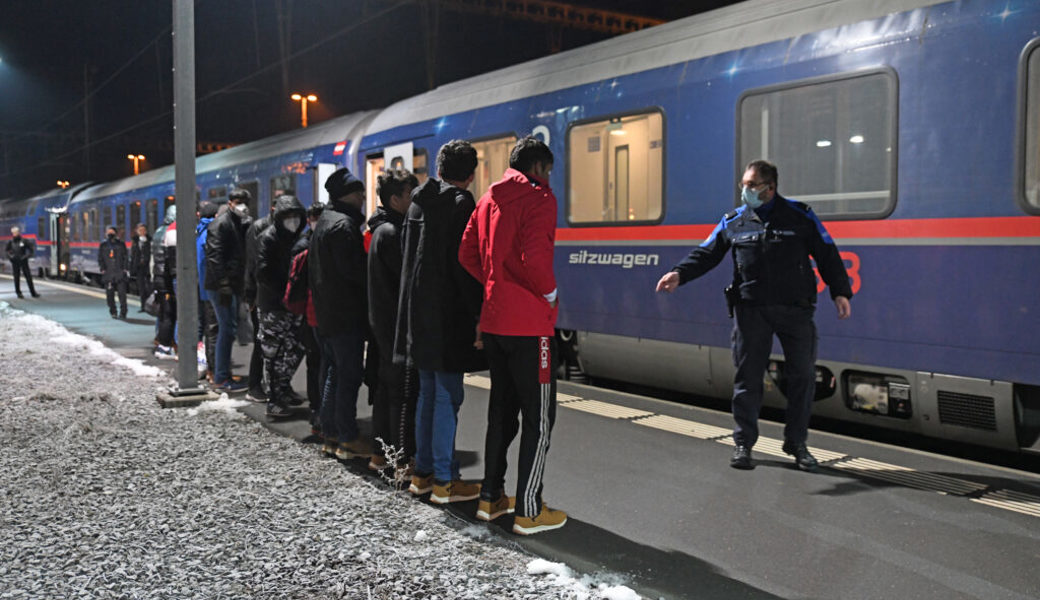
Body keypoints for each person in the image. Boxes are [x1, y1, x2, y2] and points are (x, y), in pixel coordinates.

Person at [655, 159, 853, 472]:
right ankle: (744, 444)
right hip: (752, 311)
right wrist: (679, 273)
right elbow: (707, 252)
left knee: (802, 378)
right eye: (743, 185)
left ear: (770, 188)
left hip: (796, 311)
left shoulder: (800, 216)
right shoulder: (734, 220)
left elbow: (827, 252)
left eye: (751, 185)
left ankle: (797, 444)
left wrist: (840, 292)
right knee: (747, 380)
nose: (744, 190)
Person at [459, 136, 565, 534]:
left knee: (501, 412)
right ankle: (530, 509)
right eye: (548, 172)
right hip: (530, 325)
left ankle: (490, 497)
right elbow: (535, 257)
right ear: (538, 168)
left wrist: (494, 283)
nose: (549, 179)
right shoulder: (539, 199)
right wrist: (550, 293)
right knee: (539, 417)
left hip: (496, 321)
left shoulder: (488, 199)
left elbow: (466, 253)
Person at [395, 140, 485, 505]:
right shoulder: (461, 204)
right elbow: (466, 264)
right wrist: (478, 314)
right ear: (471, 173)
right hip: (449, 315)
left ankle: (423, 474)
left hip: (420, 312)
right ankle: (446, 481)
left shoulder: (418, 202)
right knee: (448, 394)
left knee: (428, 393)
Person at [310, 168, 372, 459]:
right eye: (359, 191)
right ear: (346, 195)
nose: (363, 196)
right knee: (348, 375)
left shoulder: (325, 221)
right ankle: (347, 437)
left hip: (326, 314)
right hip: (345, 314)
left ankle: (330, 433)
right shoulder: (344, 227)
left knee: (333, 374)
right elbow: (355, 274)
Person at [367, 169, 419, 471]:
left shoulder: (381, 229)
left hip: (383, 324)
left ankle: (381, 455)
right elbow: (405, 279)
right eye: (410, 195)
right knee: (400, 395)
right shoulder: (392, 232)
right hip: (393, 325)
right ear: (395, 199)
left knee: (387, 392)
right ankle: (399, 460)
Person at [255, 194, 308, 419]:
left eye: (297, 216)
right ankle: (274, 400)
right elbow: (263, 272)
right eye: (288, 216)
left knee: (295, 347)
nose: (293, 220)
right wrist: (285, 292)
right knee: (273, 353)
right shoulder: (268, 238)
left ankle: (284, 388)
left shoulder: (297, 238)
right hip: (273, 306)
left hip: (293, 304)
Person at [205, 188, 251, 393]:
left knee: (228, 328)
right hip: (221, 287)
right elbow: (215, 256)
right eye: (238, 200)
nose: (242, 204)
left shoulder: (235, 223)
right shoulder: (221, 224)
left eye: (245, 201)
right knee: (226, 329)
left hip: (228, 284)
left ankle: (222, 374)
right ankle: (222, 377)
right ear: (230, 202)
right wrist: (223, 284)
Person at [291, 203, 324, 437]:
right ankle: (317, 411)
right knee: (316, 364)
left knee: (317, 364)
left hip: (311, 314)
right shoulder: (306, 247)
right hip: (310, 314)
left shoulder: (306, 244)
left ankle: (318, 411)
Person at [244, 201, 275, 403]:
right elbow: (254, 264)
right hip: (260, 294)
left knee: (271, 344)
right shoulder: (260, 228)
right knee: (260, 341)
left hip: (269, 294)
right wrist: (251, 296)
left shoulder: (279, 227)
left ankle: (273, 386)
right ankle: (254, 385)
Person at [195, 202, 220, 382]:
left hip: (202, 288)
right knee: (213, 331)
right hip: (210, 289)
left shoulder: (199, 232)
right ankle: (214, 371)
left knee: (207, 329)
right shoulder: (209, 234)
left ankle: (208, 367)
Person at [152, 205, 178, 359]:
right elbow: (170, 259)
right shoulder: (170, 232)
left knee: (163, 314)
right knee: (169, 314)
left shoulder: (158, 231)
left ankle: (161, 342)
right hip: (166, 278)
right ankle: (166, 346)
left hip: (158, 276)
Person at [98, 225, 129, 319]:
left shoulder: (121, 244)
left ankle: (123, 312)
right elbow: (100, 258)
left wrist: (125, 268)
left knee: (122, 295)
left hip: (119, 273)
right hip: (108, 274)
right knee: (109, 296)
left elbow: (125, 257)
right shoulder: (103, 245)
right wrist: (102, 268)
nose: (110, 234)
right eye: (109, 232)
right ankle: (113, 311)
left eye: (112, 232)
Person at [5, 227, 39, 298]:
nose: (15, 233)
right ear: (12, 233)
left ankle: (33, 292)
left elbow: (31, 249)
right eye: (14, 232)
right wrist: (11, 257)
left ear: (18, 232)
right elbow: (6, 251)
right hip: (15, 262)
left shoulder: (24, 241)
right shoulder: (11, 242)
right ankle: (18, 292)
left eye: (16, 232)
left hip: (23, 261)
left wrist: (26, 256)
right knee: (16, 277)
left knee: (28, 277)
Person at [129, 223, 152, 311]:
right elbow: (132, 255)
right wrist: (131, 269)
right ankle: (143, 306)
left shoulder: (149, 241)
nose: (142, 232)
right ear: (137, 231)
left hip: (147, 267)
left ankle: (150, 306)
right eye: (140, 230)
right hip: (139, 268)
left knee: (149, 287)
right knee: (141, 288)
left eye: (143, 230)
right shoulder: (135, 242)